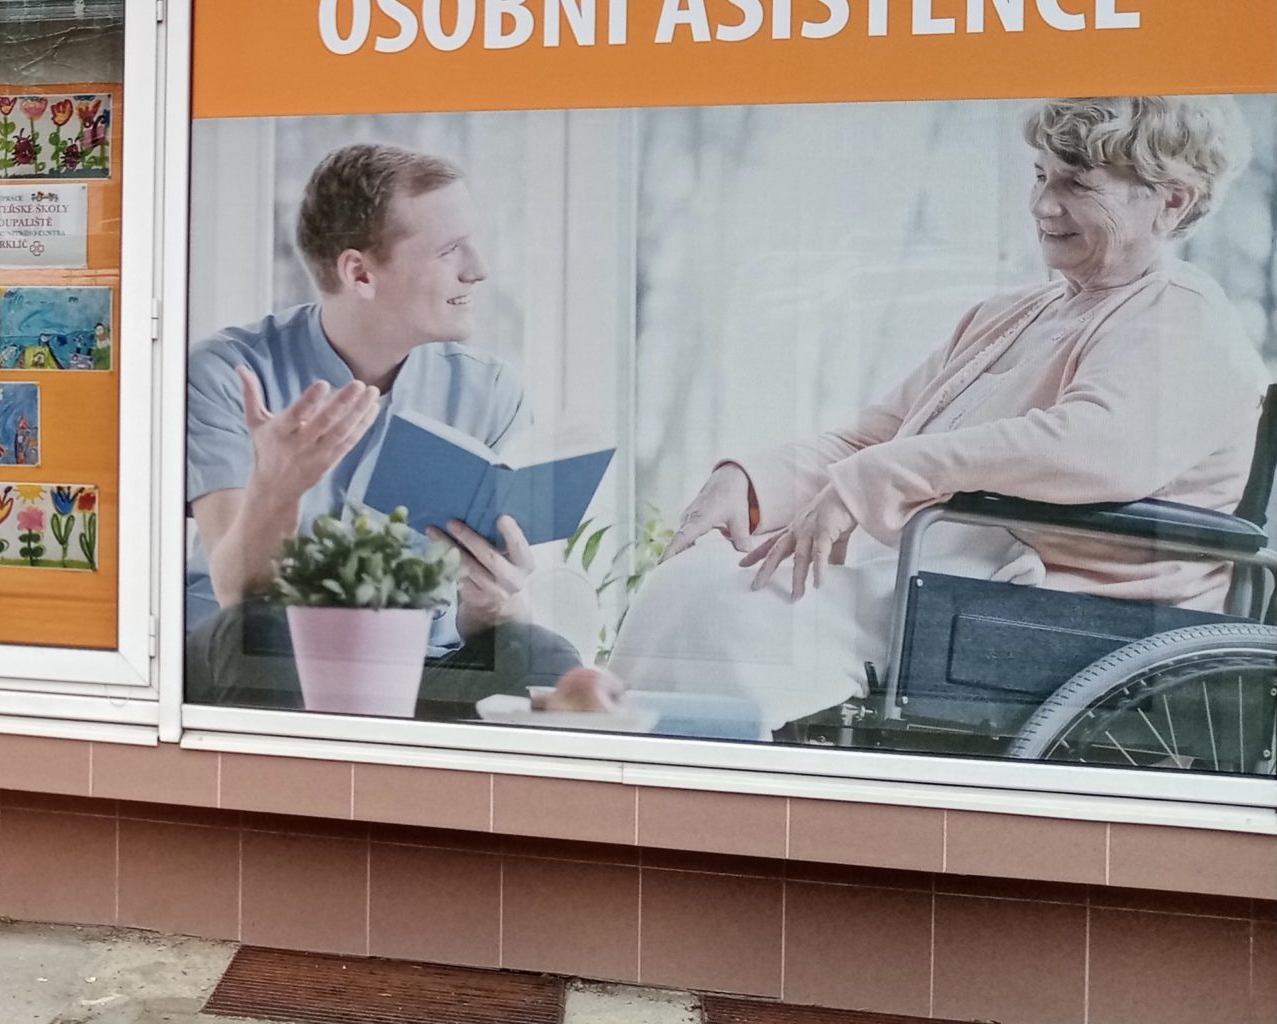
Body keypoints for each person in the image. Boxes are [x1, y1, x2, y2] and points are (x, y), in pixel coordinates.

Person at [548, 96, 1267, 731]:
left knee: (733, 612)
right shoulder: (1013, 313)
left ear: (1172, 201)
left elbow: (1092, 447)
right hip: (943, 567)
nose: (1044, 205)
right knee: (693, 577)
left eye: (1077, 183)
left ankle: (712, 801)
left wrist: (877, 479)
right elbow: (873, 437)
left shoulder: (1185, 318)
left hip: (1045, 597)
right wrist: (748, 480)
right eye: (1040, 175)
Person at [185, 143, 580, 714]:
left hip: (415, 665)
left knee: (541, 654)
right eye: (449, 250)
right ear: (361, 273)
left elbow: (487, 625)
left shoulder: (489, 392)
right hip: (256, 662)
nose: (478, 268)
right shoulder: (230, 374)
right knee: (261, 628)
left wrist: (494, 603)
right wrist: (277, 489)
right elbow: (238, 595)